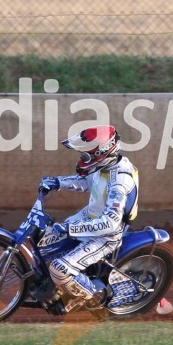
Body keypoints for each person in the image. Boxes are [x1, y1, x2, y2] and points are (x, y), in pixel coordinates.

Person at [38, 125, 138, 313]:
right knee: (43, 244)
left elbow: (110, 223)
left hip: (105, 235)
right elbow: (86, 182)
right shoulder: (105, 165)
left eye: (86, 156)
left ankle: (92, 298)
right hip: (87, 219)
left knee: (59, 269)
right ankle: (66, 283)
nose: (82, 159)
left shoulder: (120, 181)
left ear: (102, 153)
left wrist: (71, 230)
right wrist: (58, 182)